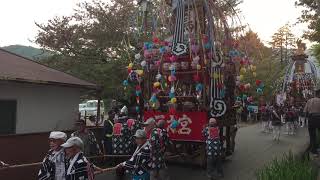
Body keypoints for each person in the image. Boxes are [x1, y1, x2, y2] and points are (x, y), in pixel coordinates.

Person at [304, 88, 320, 156]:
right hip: (319, 117)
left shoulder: (309, 101)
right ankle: (317, 148)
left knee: (312, 135)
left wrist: (307, 119)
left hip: (311, 118)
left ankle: (314, 151)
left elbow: (305, 111)